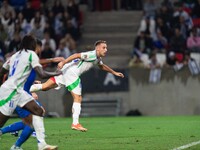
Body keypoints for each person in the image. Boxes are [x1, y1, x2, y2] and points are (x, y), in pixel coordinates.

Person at [30, 40, 124, 131]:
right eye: (104, 48)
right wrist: (63, 62)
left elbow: (102, 66)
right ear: (97, 49)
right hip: (72, 73)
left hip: (65, 71)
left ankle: (25, 89)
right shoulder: (91, 54)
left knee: (44, 87)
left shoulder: (97, 58)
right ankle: (75, 123)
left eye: (106, 48)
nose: (106, 49)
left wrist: (114, 72)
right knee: (78, 98)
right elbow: (76, 55)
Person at [0, 39, 64, 150]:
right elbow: (42, 74)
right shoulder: (31, 54)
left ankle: (42, 144)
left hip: (18, 91)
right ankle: (14, 144)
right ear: (34, 45)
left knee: (38, 111)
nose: (39, 49)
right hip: (11, 92)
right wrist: (57, 73)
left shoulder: (15, 56)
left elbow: (2, 71)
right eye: (38, 46)